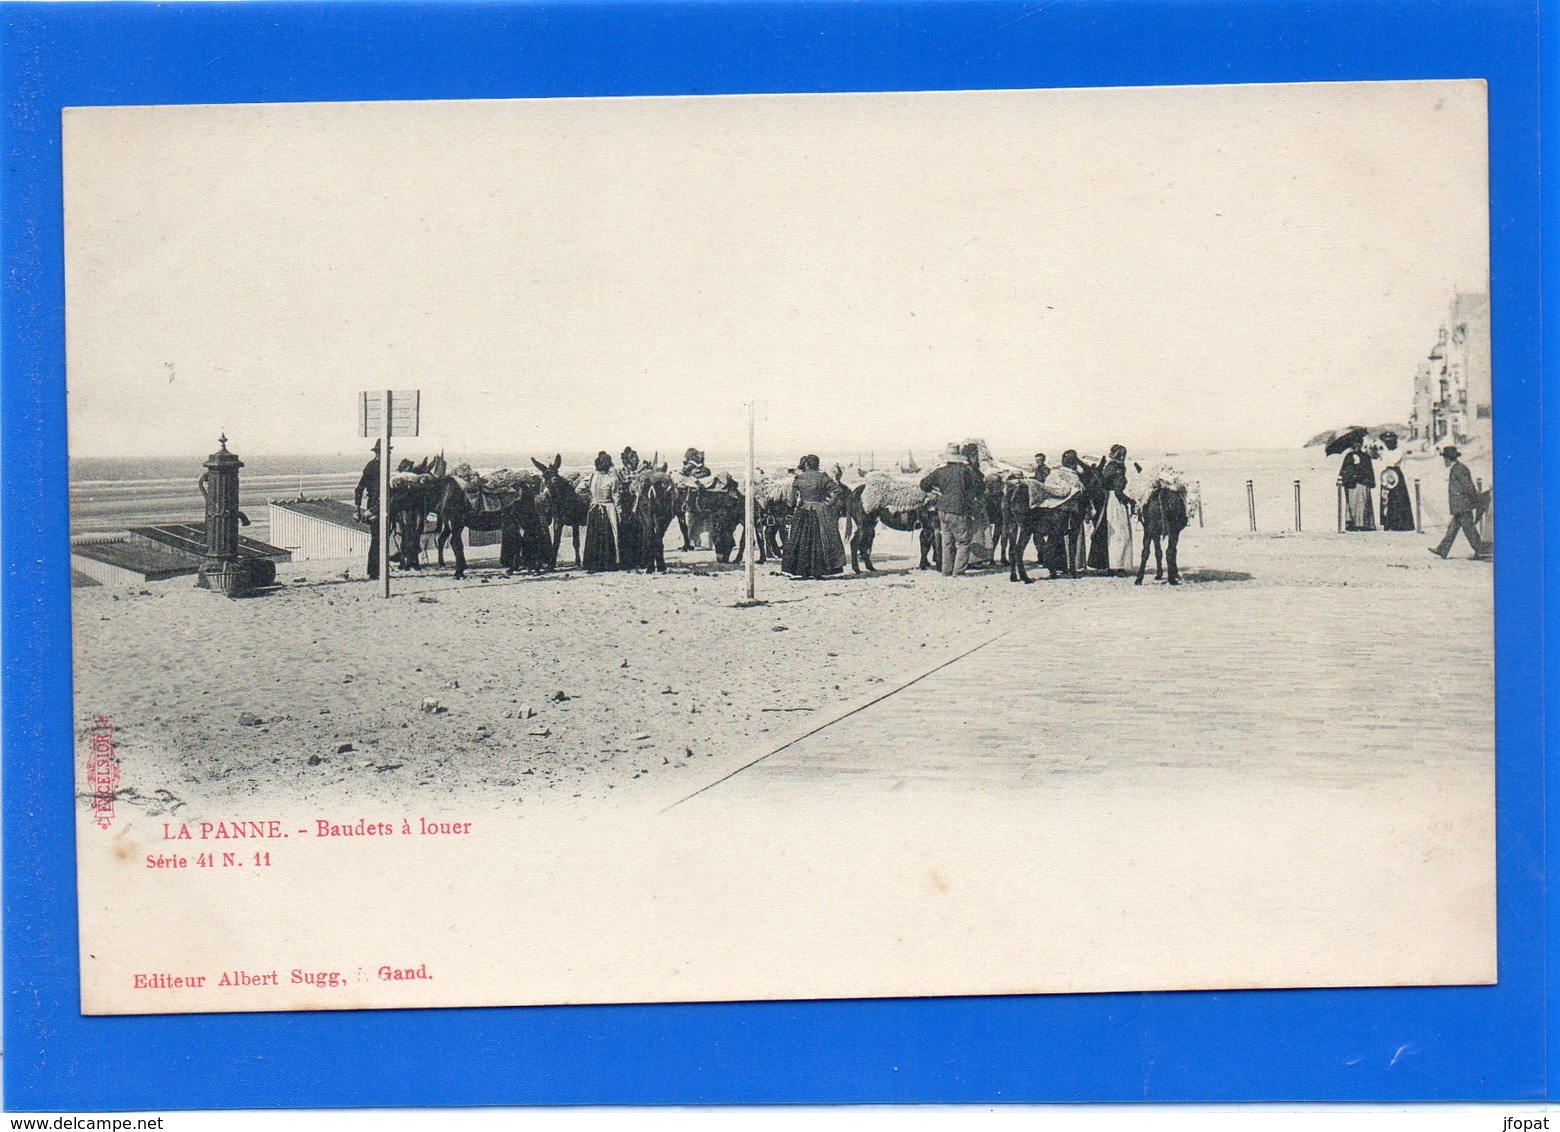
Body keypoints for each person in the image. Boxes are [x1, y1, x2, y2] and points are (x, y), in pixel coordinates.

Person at [920, 443, 983, 576]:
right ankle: (958, 572)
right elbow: (980, 486)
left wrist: (936, 490)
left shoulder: (939, 471)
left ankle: (946, 571)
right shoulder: (966, 471)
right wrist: (969, 497)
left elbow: (923, 484)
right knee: (963, 541)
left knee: (947, 542)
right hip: (958, 509)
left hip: (942, 509)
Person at [780, 455, 847, 578]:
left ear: (806, 465)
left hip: (803, 511)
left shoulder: (799, 479)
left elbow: (791, 501)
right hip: (821, 512)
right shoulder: (823, 477)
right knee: (825, 539)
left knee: (798, 540)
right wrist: (829, 503)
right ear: (817, 464)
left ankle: (800, 571)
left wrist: (795, 505)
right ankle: (825, 571)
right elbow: (838, 490)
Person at [1429, 446, 1490, 559]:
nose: (1444, 462)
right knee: (1452, 528)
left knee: (1469, 530)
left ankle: (1481, 552)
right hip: (1460, 506)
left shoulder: (1459, 469)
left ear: (1448, 459)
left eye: (1445, 459)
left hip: (1463, 506)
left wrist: (1475, 499)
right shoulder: (1457, 468)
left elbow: (1468, 486)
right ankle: (1442, 550)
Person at [1088, 444, 1135, 576]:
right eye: (1122, 455)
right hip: (1114, 501)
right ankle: (1117, 566)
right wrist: (1129, 500)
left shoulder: (1110, 467)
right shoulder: (1116, 468)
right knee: (1119, 533)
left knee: (1112, 533)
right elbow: (1118, 489)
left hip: (1109, 500)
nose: (1123, 457)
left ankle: (1112, 565)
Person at [581, 451, 625, 572]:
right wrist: (620, 513)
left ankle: (593, 563)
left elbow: (579, 489)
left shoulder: (591, 477)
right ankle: (608, 563)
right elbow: (616, 498)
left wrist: (590, 497)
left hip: (594, 509)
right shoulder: (612, 479)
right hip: (607, 508)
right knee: (609, 535)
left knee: (593, 536)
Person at [1060, 450, 1096, 573]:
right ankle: (1074, 565)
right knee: (1074, 537)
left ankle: (1063, 566)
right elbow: (1090, 472)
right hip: (1075, 510)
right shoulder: (1076, 477)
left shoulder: (1058, 474)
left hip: (1060, 510)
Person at [353, 440, 382, 580]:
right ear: (377, 452)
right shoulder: (371, 467)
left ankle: (376, 570)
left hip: (382, 504)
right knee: (377, 538)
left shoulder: (384, 466)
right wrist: (357, 510)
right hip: (374, 506)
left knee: (380, 539)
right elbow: (359, 488)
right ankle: (373, 571)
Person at [1378, 431, 1416, 531]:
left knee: (1398, 498)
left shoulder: (1398, 451)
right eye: (1387, 442)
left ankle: (1401, 523)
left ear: (1395, 442)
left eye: (1391, 442)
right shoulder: (1385, 452)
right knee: (1387, 497)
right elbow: (1383, 463)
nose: (1389, 444)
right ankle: (1388, 522)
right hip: (1386, 474)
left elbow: (1393, 461)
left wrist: (1385, 456)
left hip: (1396, 474)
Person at [1338, 438, 1376, 531]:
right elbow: (1344, 469)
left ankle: (1363, 523)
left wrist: (1360, 468)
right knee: (1351, 503)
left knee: (1363, 502)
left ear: (1361, 444)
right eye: (1354, 444)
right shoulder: (1348, 457)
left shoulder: (1365, 456)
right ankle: (1351, 523)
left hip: (1362, 483)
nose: (1356, 446)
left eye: (1358, 444)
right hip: (1351, 483)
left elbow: (1369, 470)